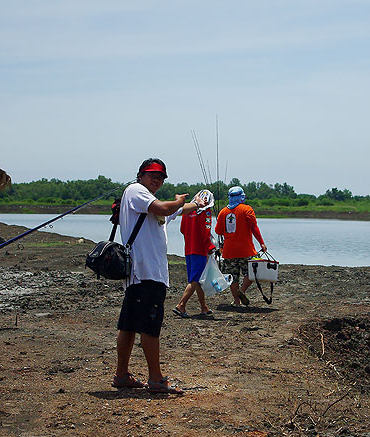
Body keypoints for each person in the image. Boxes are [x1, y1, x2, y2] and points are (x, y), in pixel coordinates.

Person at [113, 158, 208, 394]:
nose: (156, 179)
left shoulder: (149, 202)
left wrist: (196, 204)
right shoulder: (136, 192)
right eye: (151, 175)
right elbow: (166, 208)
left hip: (144, 274)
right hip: (145, 273)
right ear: (140, 175)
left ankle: (122, 375)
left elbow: (172, 211)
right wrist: (178, 201)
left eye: (161, 177)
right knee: (149, 327)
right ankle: (156, 379)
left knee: (128, 325)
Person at [214, 185, 267, 306]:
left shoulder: (223, 212)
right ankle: (242, 291)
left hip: (229, 251)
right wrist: (262, 243)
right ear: (241, 197)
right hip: (246, 250)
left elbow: (218, 231)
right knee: (252, 273)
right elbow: (254, 227)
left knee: (233, 277)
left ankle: (237, 302)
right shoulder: (247, 209)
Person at [172, 190, 216, 319]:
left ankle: (204, 307)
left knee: (198, 279)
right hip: (200, 250)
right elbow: (205, 232)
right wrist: (210, 247)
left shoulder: (188, 211)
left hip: (189, 249)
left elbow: (182, 229)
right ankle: (181, 305)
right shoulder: (206, 212)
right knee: (195, 279)